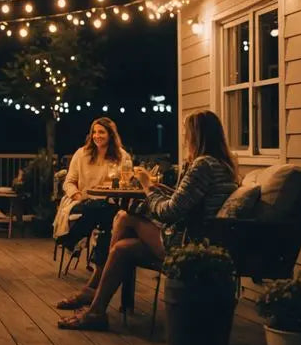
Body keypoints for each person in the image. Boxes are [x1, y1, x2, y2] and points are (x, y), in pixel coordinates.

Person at [57, 110, 239, 330]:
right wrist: (159, 188)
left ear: (197, 135)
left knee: (125, 217)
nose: (184, 137)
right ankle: (96, 309)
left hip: (188, 243)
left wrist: (146, 186)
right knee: (121, 248)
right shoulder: (223, 166)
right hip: (200, 238)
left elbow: (169, 212)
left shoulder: (202, 166)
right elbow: (187, 201)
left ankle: (94, 292)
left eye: (186, 132)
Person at [53, 118, 132, 269]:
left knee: (106, 213)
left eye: (101, 132)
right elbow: (68, 182)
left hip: (109, 203)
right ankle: (100, 260)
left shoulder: (122, 156)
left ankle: (72, 239)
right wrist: (77, 196)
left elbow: (126, 182)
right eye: (94, 132)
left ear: (110, 135)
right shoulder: (81, 154)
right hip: (83, 202)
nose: (97, 135)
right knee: (105, 215)